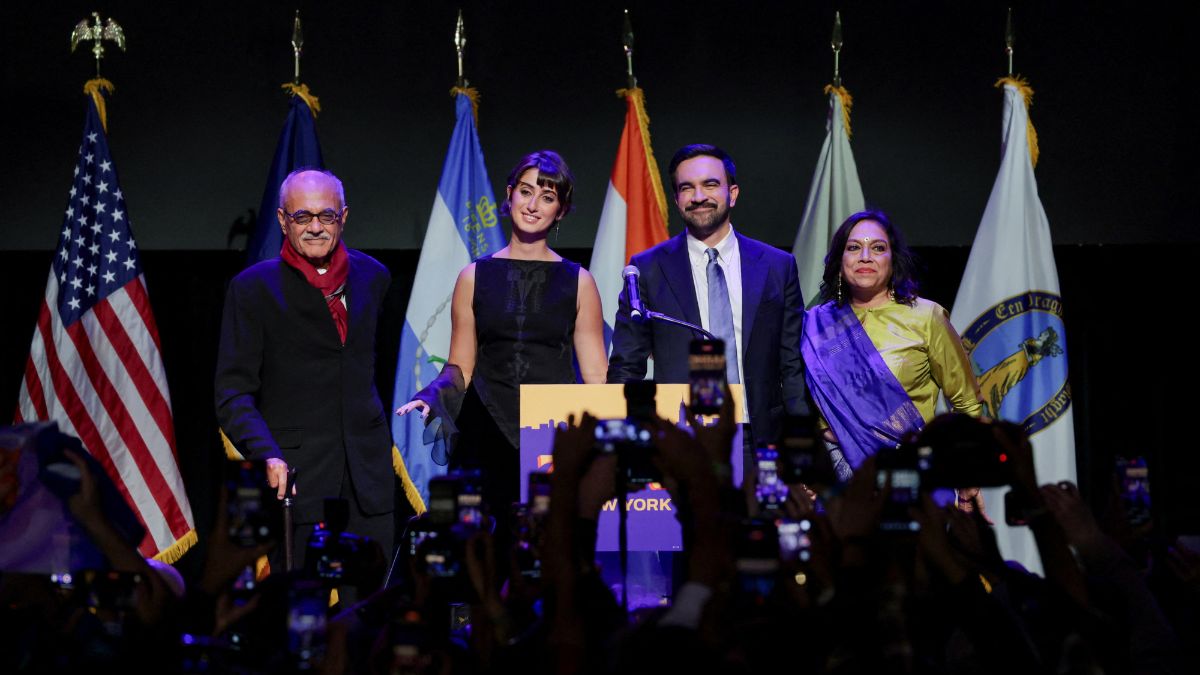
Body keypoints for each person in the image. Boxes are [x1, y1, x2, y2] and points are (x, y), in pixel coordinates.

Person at [396, 150, 607, 513]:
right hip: (486, 431)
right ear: (509, 195)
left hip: (553, 435)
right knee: (485, 553)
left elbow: (596, 375)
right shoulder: (473, 277)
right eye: (525, 192)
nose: (533, 205)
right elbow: (460, 366)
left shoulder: (580, 282)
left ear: (561, 210)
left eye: (548, 196)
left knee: (547, 551)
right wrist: (433, 394)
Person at [215, 168, 400, 573]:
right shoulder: (252, 289)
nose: (315, 228)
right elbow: (232, 394)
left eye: (326, 216)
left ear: (343, 217)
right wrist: (268, 455)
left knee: (370, 618)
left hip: (367, 482)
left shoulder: (374, 278)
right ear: (283, 220)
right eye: (302, 217)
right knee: (301, 618)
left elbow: (376, 370)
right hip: (296, 481)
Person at [607, 143, 809, 454]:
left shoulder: (777, 266)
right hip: (679, 441)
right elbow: (626, 367)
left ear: (734, 193)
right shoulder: (647, 269)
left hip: (760, 440)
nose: (698, 196)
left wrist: (802, 446)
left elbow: (791, 365)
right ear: (676, 199)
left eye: (710, 184)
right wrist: (623, 442)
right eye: (686, 188)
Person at [800, 209, 983, 483]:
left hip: (907, 472)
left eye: (877, 248)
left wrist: (969, 476)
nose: (865, 256)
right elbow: (793, 408)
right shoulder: (814, 324)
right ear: (839, 261)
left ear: (892, 259)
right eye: (853, 248)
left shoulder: (926, 317)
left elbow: (966, 403)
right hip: (831, 476)